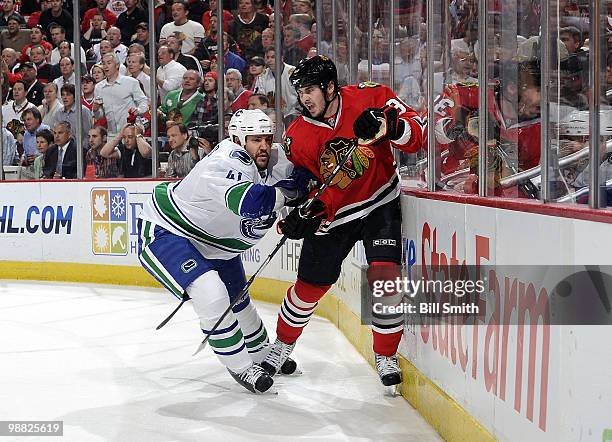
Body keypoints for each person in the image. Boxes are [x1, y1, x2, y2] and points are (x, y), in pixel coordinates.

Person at [260, 56, 425, 389]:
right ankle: (282, 345)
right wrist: (300, 212)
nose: (304, 98)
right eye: (300, 91)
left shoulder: (372, 97)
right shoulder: (297, 134)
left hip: (381, 201)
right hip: (336, 214)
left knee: (386, 276)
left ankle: (385, 354)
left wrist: (390, 127)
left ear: (330, 87)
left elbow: (417, 136)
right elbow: (303, 182)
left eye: (310, 90)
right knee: (309, 286)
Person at [137, 109, 312, 394]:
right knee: (211, 292)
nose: (264, 146)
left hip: (218, 243)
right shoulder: (225, 161)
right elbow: (252, 202)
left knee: (239, 302)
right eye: (255, 140)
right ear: (237, 139)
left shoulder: (273, 157)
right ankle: (242, 367)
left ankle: (261, 355)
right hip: (170, 231)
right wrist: (290, 192)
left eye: (267, 138)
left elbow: (305, 174)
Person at [94, 53, 149, 138]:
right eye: (103, 63)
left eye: (109, 63)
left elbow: (144, 101)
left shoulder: (131, 82)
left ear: (117, 65)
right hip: (112, 135)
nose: (105, 66)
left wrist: (138, 110)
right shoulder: (99, 87)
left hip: (131, 132)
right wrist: (96, 110)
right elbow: (101, 115)